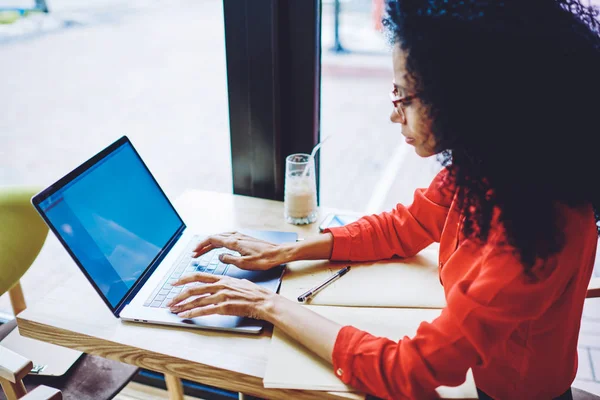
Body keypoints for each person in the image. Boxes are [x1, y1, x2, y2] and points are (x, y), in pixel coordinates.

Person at [167, 0, 600, 398]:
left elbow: (406, 370)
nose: (394, 113)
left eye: (405, 97)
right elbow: (402, 227)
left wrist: (267, 304)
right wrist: (288, 250)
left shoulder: (536, 237)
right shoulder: (494, 169)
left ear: (470, 102)